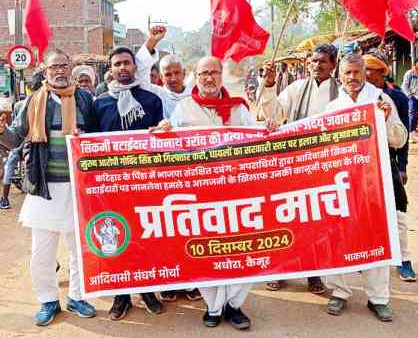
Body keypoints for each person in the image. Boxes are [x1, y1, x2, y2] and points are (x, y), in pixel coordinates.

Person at [156, 56, 267, 330]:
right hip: (201, 196)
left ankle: (235, 305)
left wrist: (269, 130)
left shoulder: (238, 109)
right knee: (206, 251)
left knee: (241, 249)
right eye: (204, 73)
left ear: (222, 75)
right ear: (195, 75)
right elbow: (169, 146)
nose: (208, 78)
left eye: (214, 73)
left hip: (236, 195)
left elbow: (256, 141)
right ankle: (213, 307)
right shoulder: (183, 109)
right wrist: (163, 130)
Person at [0, 50, 98, 326]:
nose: (59, 71)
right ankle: (48, 300)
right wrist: (1, 131)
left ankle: (77, 297)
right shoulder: (32, 101)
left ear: (70, 68)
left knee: (79, 250)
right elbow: (14, 139)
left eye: (63, 65)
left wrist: (86, 138)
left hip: (78, 187)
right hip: (43, 187)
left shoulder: (84, 99)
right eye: (54, 66)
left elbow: (98, 135)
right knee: (42, 252)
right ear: (45, 71)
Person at [325, 53, 407, 322]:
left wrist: (384, 122)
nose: (352, 78)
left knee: (376, 236)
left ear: (365, 72)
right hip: (344, 182)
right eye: (347, 73)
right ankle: (339, 291)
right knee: (339, 235)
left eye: (357, 72)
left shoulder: (381, 101)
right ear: (340, 75)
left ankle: (378, 298)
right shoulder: (333, 106)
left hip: (375, 181)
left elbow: (400, 139)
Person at [257, 43, 339, 294]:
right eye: (313, 62)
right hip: (294, 165)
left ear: (333, 65)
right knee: (288, 218)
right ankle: (282, 270)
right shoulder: (296, 88)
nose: (317, 66)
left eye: (323, 61)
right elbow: (273, 113)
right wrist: (269, 85)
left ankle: (314, 273)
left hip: (326, 166)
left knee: (317, 222)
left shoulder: (342, 92)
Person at [94, 46, 164, 320]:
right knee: (117, 238)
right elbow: (89, 143)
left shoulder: (151, 100)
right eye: (117, 64)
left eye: (127, 63)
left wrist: (163, 131)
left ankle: (147, 290)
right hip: (110, 186)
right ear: (110, 70)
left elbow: (163, 139)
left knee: (144, 237)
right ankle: (120, 295)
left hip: (145, 183)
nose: (122, 68)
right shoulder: (99, 103)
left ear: (135, 67)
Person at [363, 52, 417, 282]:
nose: (364, 75)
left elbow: (403, 135)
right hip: (362, 163)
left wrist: (402, 166)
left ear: (381, 72)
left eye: (368, 70)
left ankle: (404, 259)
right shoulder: (356, 96)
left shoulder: (396, 97)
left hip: (387, 159)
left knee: (398, 212)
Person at [0, 71, 45, 210]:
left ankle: (4, 198)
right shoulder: (25, 104)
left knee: (10, 164)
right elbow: (16, 133)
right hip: (27, 144)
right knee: (11, 161)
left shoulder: (20, 104)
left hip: (26, 144)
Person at [135, 26, 195, 119]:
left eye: (177, 73)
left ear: (183, 73)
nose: (173, 78)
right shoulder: (156, 94)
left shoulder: (195, 95)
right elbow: (139, 73)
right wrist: (152, 41)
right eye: (168, 75)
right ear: (161, 77)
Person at [402, 56, 418, 142]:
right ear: (415, 63)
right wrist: (409, 96)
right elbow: (404, 85)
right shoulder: (410, 73)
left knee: (417, 116)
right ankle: (409, 135)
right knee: (412, 116)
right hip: (413, 97)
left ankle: (413, 134)